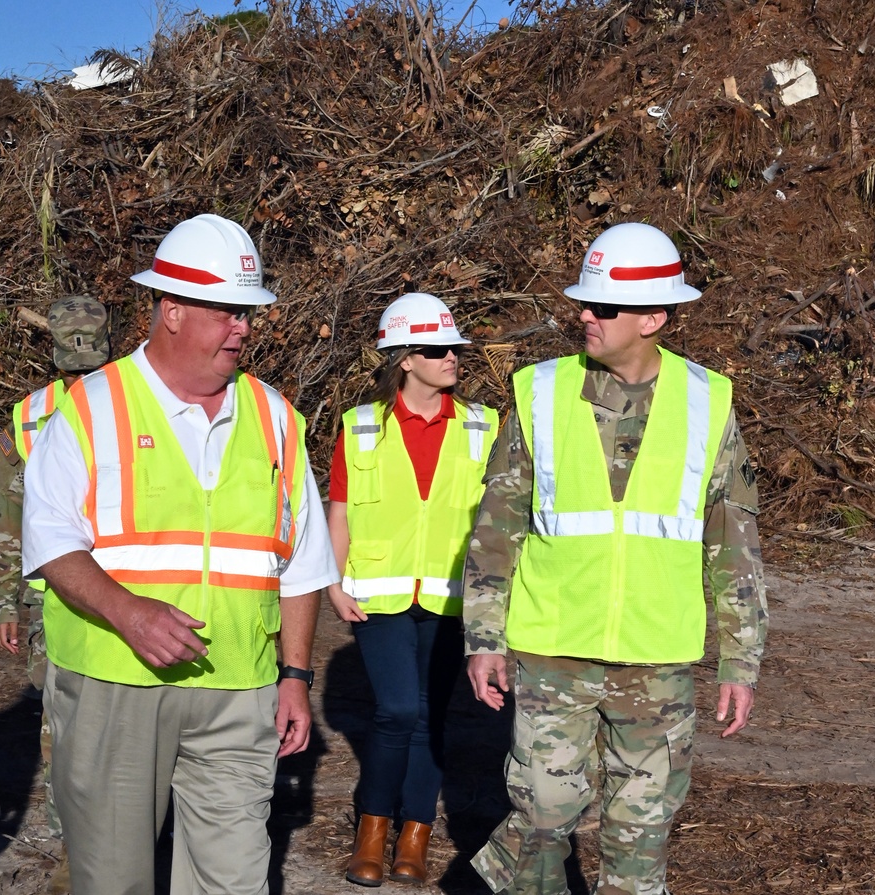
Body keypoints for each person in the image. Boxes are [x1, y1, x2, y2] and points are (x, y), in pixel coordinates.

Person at [21, 213, 339, 895]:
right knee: (114, 881)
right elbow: (50, 542)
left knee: (234, 882)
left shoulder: (277, 417)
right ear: (171, 310)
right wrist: (128, 612)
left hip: (239, 693)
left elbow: (302, 564)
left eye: (249, 311)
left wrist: (294, 676)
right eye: (229, 310)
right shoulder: (90, 408)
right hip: (115, 685)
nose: (245, 327)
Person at [463, 222, 769, 895]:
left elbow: (734, 543)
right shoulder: (539, 394)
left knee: (640, 833)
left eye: (601, 307)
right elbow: (496, 529)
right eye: (583, 301)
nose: (584, 316)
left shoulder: (709, 403)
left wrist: (741, 661)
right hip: (553, 650)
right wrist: (483, 636)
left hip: (658, 660)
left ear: (654, 317)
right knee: (543, 816)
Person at [326, 293, 499, 888]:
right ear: (404, 359)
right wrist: (334, 580)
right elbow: (341, 509)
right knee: (397, 709)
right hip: (377, 594)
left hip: (453, 596)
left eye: (454, 347)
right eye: (437, 349)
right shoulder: (361, 425)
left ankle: (415, 835)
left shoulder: (484, 425)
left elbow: (500, 518)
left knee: (428, 718)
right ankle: (372, 830)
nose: (452, 357)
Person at [0, 294, 110, 895]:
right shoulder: (32, 417)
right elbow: (9, 515)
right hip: (53, 600)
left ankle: (103, 844)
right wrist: (3, 602)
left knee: (99, 723)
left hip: (118, 599)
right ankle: (74, 851)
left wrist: (4, 600)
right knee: (64, 724)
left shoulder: (137, 404)